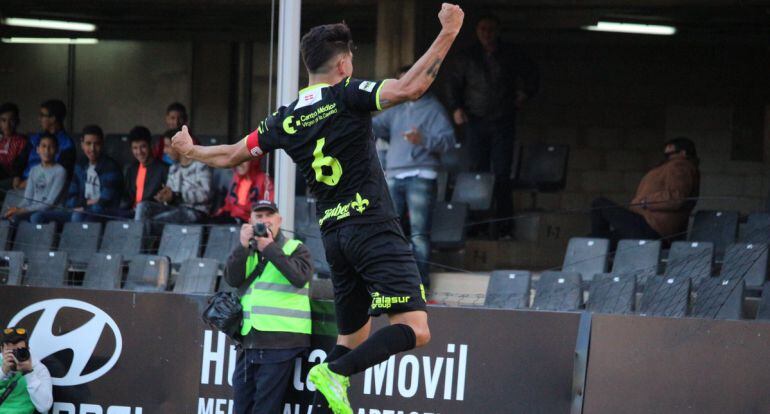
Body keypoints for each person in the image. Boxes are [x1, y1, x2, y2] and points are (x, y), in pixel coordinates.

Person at [172, 4, 464, 413]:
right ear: (343, 64)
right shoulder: (347, 94)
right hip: (372, 226)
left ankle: (328, 387)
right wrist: (449, 31)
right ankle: (335, 373)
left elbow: (232, 153)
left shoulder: (285, 118)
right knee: (416, 329)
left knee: (352, 339)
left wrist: (191, 150)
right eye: (351, 60)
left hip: (335, 237)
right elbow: (410, 88)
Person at [445, 15, 540, 238]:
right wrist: (456, 107)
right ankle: (476, 225)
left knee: (502, 173)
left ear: (498, 31)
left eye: (490, 29)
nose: (486, 33)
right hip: (475, 119)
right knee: (476, 171)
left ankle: (504, 225)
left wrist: (524, 94)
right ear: (477, 31)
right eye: (482, 29)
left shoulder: (511, 53)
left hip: (503, 118)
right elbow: (453, 82)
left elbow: (532, 74)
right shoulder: (467, 56)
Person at [224, 200, 313, 414]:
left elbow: (299, 278)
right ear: (250, 221)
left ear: (279, 220)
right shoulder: (249, 250)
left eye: (269, 216)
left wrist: (270, 249)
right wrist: (242, 246)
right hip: (250, 339)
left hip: (281, 340)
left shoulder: (296, 248)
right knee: (241, 406)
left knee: (265, 408)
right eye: (259, 216)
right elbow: (232, 279)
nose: (264, 221)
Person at [372, 64, 456, 288]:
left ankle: (420, 285)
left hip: (421, 175)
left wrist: (423, 139)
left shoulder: (434, 109)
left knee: (419, 234)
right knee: (390, 231)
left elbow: (449, 141)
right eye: (402, 83)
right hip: (394, 175)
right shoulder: (396, 109)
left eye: (409, 81)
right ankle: (392, 282)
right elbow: (373, 126)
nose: (405, 87)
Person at [590, 138, 701, 244]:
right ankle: (600, 244)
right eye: (666, 154)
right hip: (646, 225)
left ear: (683, 153)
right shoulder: (670, 167)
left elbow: (676, 197)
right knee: (593, 240)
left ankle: (599, 243)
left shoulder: (680, 166)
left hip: (651, 227)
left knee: (599, 204)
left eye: (671, 154)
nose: (668, 157)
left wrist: (645, 202)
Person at [136, 128, 211, 223]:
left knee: (156, 221)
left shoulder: (200, 165)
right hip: (176, 209)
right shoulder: (173, 168)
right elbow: (170, 194)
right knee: (143, 206)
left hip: (195, 211)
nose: (164, 151)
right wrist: (164, 196)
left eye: (167, 146)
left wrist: (177, 196)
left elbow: (205, 194)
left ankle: (143, 231)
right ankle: (137, 231)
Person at [4, 134, 67, 224]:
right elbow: (27, 200)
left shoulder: (60, 171)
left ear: (57, 150)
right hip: (33, 210)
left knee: (36, 217)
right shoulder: (34, 170)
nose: (47, 150)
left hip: (51, 211)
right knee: (9, 216)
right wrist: (16, 209)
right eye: (43, 146)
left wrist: (23, 210)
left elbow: (50, 203)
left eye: (51, 147)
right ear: (38, 149)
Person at [21, 99, 76, 187]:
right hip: (23, 180)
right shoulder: (35, 138)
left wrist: (31, 182)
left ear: (53, 118)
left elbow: (61, 174)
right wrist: (16, 176)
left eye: (42, 115)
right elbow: (20, 160)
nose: (39, 119)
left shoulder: (67, 145)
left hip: (43, 185)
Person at [0, 328, 53, 414]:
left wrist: (28, 373)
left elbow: (44, 407)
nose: (15, 355)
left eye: (20, 351)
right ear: (2, 350)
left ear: (28, 349)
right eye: (11, 351)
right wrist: (2, 372)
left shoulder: (38, 369)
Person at [121, 126, 169, 218]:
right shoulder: (131, 169)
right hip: (131, 213)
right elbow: (127, 198)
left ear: (151, 145)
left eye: (143, 147)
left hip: (151, 215)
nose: (139, 152)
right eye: (135, 148)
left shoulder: (163, 169)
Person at [209, 160, 274, 224]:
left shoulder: (264, 181)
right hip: (233, 223)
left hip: (252, 224)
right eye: (238, 159)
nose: (239, 164)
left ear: (253, 162)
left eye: (244, 160)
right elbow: (228, 205)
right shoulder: (236, 178)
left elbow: (268, 209)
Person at [0, 103, 30, 190]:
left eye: (11, 120)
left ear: (17, 121)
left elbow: (18, 166)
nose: (7, 125)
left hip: (11, 178)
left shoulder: (22, 141)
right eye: (3, 120)